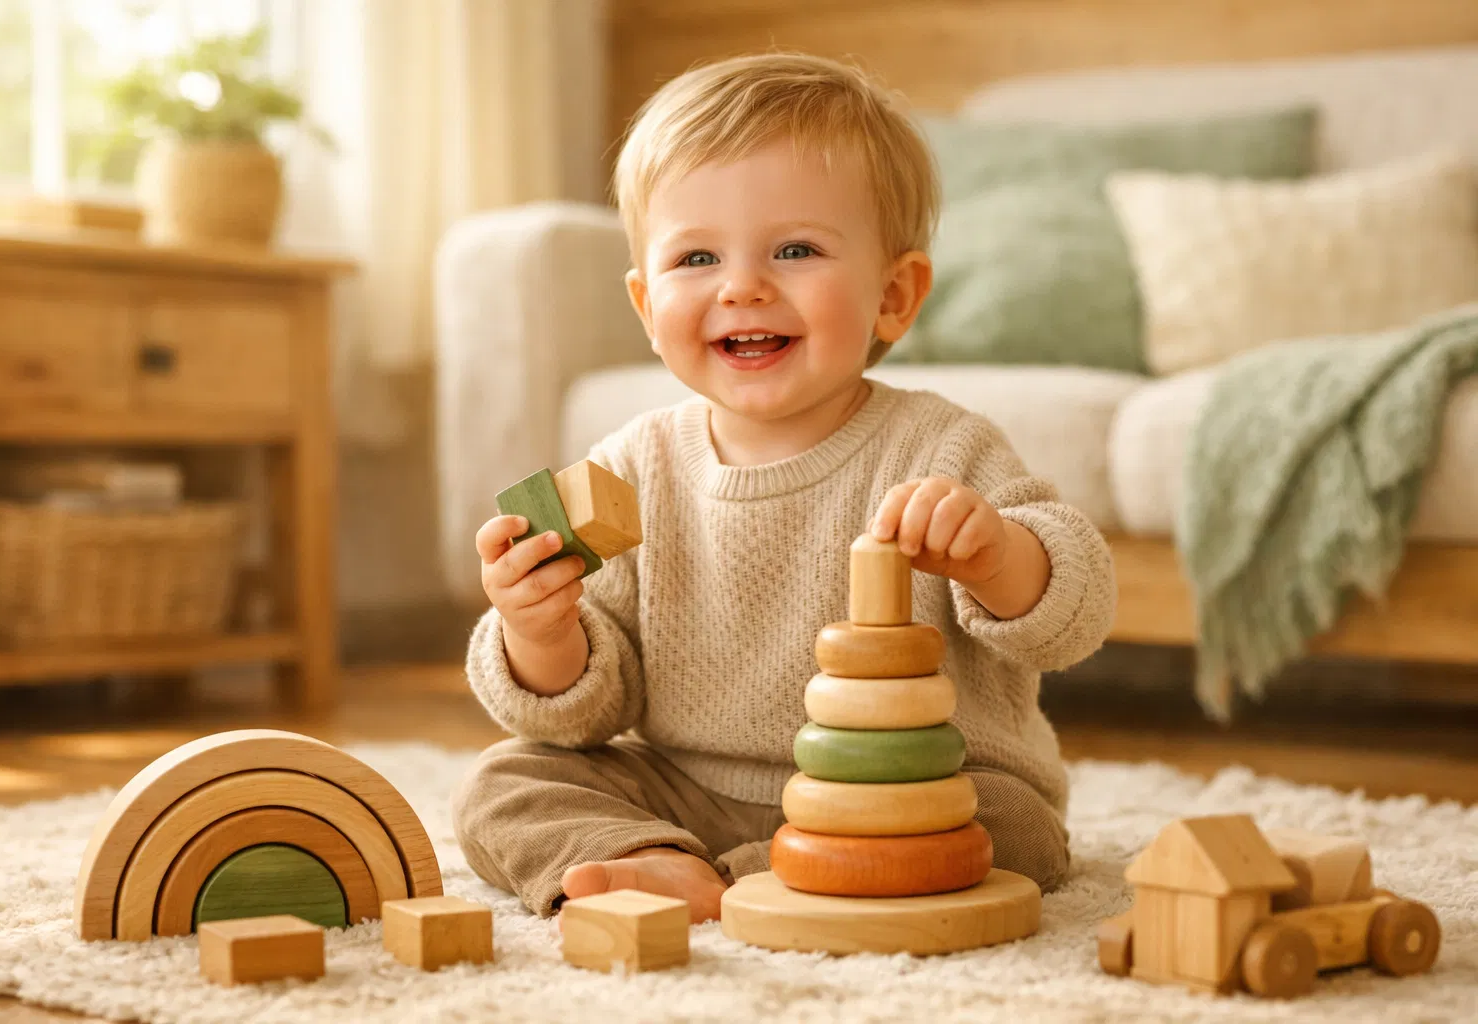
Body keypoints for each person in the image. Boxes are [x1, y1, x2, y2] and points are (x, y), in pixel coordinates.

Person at [455, 51, 1117, 923]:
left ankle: (739, 877)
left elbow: (1077, 610)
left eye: (795, 249)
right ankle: (661, 855)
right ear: (648, 307)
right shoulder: (632, 465)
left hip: (912, 787)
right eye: (695, 257)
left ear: (893, 295)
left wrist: (996, 553)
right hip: (689, 784)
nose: (742, 287)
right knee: (505, 781)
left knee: (1013, 830)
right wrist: (537, 631)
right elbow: (583, 712)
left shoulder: (942, 446)